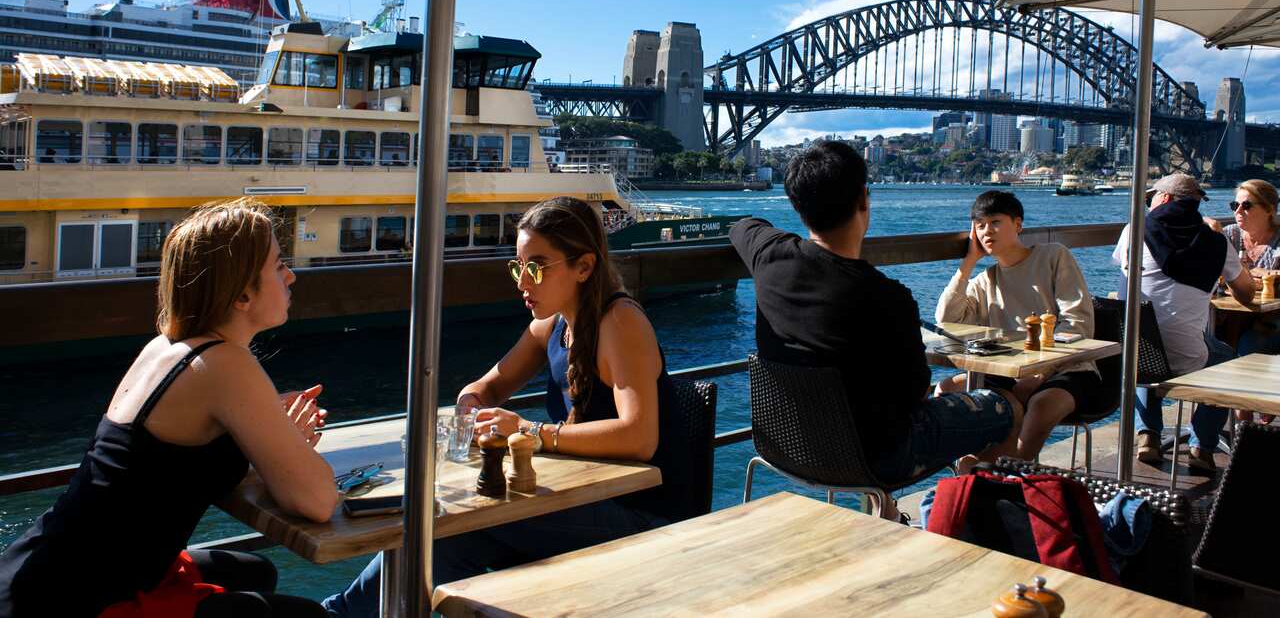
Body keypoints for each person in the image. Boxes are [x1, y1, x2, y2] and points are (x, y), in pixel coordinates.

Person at [324, 196, 693, 616]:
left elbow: (639, 437)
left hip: (645, 516)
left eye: (536, 267)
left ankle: (338, 613)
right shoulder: (551, 323)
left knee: (453, 528)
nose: (522, 282)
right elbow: (490, 385)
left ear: (584, 267)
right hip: (586, 498)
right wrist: (471, 406)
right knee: (449, 531)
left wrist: (529, 432)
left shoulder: (621, 322)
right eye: (518, 266)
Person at [0, 198, 335, 618]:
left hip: (42, 572)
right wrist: (291, 444)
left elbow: (171, 468)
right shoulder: (224, 364)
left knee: (254, 571)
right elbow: (319, 502)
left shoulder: (167, 348)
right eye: (278, 264)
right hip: (78, 602)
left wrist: (274, 433)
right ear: (242, 295)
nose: (291, 275)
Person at [730, 141, 1021, 513]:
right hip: (879, 459)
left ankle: (891, 512)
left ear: (798, 207)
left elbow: (743, 226)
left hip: (786, 447)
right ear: (864, 200)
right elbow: (916, 393)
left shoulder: (770, 258)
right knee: (1007, 406)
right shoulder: (889, 298)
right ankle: (970, 518)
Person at [935, 190, 1097, 461]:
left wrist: (1039, 372)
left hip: (1067, 367)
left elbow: (1077, 324)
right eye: (980, 225)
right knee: (947, 389)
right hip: (1008, 373)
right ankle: (979, 469)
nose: (987, 231)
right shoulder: (985, 280)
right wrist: (968, 263)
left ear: (1018, 224)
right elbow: (947, 320)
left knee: (1043, 405)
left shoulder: (1053, 257)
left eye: (996, 222)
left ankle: (1008, 473)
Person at [1113, 173, 1255, 473]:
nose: (1148, 203)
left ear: (1164, 199)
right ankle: (1203, 447)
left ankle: (1148, 435)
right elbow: (1246, 293)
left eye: (1151, 198)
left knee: (1147, 338)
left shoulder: (1133, 230)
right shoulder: (1215, 242)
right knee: (1227, 359)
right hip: (1187, 358)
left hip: (1129, 355)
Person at [1223, 179, 1280, 357]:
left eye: (1246, 205)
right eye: (1235, 205)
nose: (1238, 211)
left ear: (1269, 209)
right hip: (1231, 315)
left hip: (1271, 319)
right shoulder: (1228, 234)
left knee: (1249, 346)